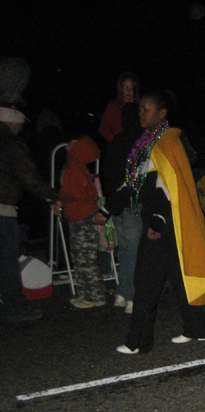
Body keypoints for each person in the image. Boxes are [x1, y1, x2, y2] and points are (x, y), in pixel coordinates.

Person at [116, 91, 205, 354]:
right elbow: (139, 183)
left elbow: (166, 188)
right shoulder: (148, 142)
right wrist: (109, 208)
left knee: (147, 278)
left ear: (162, 114)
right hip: (165, 219)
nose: (141, 113)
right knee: (180, 273)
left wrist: (158, 220)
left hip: (165, 221)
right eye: (140, 109)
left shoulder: (166, 142)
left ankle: (137, 341)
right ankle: (196, 329)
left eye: (146, 109)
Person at [0, 107, 61, 322]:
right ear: (12, 122)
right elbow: (29, 176)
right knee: (7, 260)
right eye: (20, 124)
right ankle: (16, 308)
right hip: (2, 209)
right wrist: (52, 197)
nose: (21, 128)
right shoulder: (11, 144)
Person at [101, 101, 143, 313]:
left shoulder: (117, 141)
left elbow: (109, 175)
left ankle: (123, 293)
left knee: (126, 251)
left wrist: (110, 205)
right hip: (131, 203)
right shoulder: (139, 141)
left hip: (117, 204)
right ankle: (132, 297)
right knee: (134, 251)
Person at [58, 135, 108, 308]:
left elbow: (73, 193)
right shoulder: (78, 166)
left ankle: (95, 296)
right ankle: (86, 293)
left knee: (84, 257)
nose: (69, 143)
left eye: (73, 143)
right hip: (80, 214)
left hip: (81, 215)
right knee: (81, 257)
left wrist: (58, 198)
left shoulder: (75, 167)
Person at [99, 72, 139, 143]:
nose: (128, 91)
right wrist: (116, 141)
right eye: (125, 87)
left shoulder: (140, 106)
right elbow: (103, 128)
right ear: (120, 88)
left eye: (131, 87)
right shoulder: (114, 106)